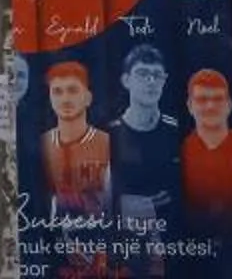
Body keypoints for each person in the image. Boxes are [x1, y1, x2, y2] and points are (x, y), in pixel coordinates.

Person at [109, 46, 180, 241]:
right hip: (122, 242)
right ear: (126, 80)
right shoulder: (108, 134)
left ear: (164, 81)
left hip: (172, 241)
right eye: (142, 74)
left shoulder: (177, 133)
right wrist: (120, 204)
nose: (151, 81)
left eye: (157, 75)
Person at [40, 62, 112, 216]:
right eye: (57, 92)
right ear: (50, 98)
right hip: (50, 233)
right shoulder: (41, 144)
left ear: (88, 98)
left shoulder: (108, 143)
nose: (65, 99)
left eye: (73, 91)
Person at [178, 72, 232, 234]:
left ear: (229, 105)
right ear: (190, 106)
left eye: (217, 99)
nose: (210, 106)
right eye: (202, 99)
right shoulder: (180, 152)